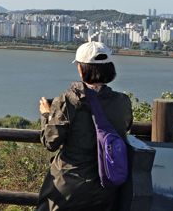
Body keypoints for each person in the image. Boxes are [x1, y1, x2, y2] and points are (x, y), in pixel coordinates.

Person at [36, 41, 133, 211]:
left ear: (81, 69)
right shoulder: (122, 102)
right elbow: (126, 127)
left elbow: (50, 142)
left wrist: (46, 114)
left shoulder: (67, 100)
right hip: (106, 187)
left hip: (68, 187)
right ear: (110, 68)